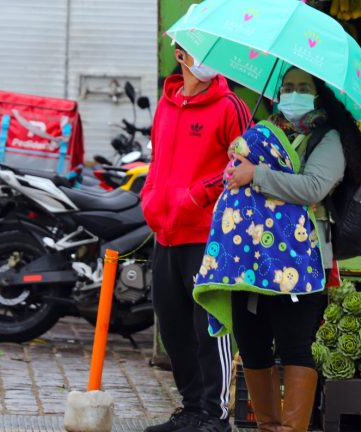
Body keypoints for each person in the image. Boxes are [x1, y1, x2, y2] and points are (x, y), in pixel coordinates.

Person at [197, 67, 361, 432]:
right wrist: (239, 162)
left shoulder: (330, 139)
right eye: (287, 87)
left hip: (303, 265)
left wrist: (255, 175)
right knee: (252, 344)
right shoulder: (262, 135)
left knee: (294, 347)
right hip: (252, 262)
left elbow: (312, 188)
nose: (294, 94)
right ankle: (267, 427)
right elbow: (236, 179)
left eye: (303, 88)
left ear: (318, 94)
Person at [141, 45, 250, 432]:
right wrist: (150, 198)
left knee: (210, 325)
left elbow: (242, 162)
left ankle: (214, 415)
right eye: (198, 50)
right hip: (165, 233)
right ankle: (190, 408)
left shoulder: (230, 105)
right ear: (180, 53)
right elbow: (157, 161)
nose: (207, 58)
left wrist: (197, 195)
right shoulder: (167, 103)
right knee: (172, 324)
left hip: (209, 234)